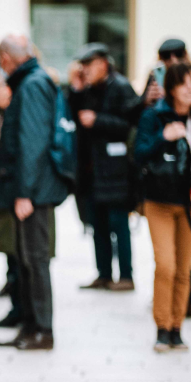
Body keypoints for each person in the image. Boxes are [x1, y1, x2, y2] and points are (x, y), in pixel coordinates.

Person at [0, 35, 70, 351]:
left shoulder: (33, 85)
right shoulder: (31, 81)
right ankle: (29, 326)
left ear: (7, 58)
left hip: (33, 191)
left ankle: (42, 329)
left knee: (35, 260)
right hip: (29, 189)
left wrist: (24, 192)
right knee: (25, 259)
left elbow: (32, 141)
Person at [134, 62, 191, 352]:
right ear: (171, 88)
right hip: (159, 200)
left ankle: (177, 328)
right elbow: (139, 154)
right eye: (184, 83)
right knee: (165, 264)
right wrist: (163, 137)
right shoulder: (153, 117)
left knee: (184, 267)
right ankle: (161, 326)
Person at [67, 43, 140, 292]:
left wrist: (99, 121)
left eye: (88, 65)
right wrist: (76, 90)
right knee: (96, 224)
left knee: (118, 224)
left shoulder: (120, 87)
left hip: (116, 170)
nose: (84, 70)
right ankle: (104, 273)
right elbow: (72, 116)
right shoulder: (87, 90)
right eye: (82, 65)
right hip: (91, 171)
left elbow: (131, 125)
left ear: (103, 64)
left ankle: (126, 276)